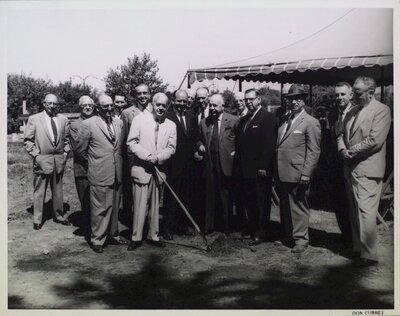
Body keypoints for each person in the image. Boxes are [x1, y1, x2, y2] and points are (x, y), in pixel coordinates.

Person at [338, 76, 391, 267]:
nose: (355, 95)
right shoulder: (352, 111)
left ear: (371, 92)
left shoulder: (382, 111)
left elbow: (375, 140)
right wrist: (342, 149)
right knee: (354, 211)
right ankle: (358, 249)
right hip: (350, 167)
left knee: (366, 212)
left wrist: (350, 152)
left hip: (368, 168)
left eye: (358, 92)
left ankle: (369, 255)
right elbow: (341, 134)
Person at [75, 94, 126, 253]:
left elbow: (119, 146)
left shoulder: (119, 123)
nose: (110, 109)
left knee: (115, 207)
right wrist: (94, 162)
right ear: (97, 107)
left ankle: (113, 235)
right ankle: (97, 240)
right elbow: (79, 149)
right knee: (99, 209)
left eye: (111, 105)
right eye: (106, 106)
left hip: (116, 171)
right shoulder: (88, 124)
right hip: (99, 172)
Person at [126, 92, 177, 250]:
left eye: (164, 105)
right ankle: (136, 237)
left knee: (155, 207)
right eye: (158, 104)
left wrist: (158, 157)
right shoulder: (139, 120)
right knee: (140, 207)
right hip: (142, 170)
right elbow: (131, 143)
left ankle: (153, 236)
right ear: (152, 104)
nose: (161, 108)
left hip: (158, 171)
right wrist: (147, 156)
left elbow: (171, 148)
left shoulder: (171, 125)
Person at [275, 84, 321, 253]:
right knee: (286, 206)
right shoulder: (285, 120)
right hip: (283, 171)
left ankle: (301, 240)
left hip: (298, 172)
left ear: (303, 101)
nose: (293, 102)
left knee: (299, 205)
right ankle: (289, 235)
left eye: (297, 99)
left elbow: (314, 151)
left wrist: (306, 173)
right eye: (290, 99)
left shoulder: (311, 122)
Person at [235, 89, 277, 245]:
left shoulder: (268, 118)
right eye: (246, 99)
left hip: (260, 169)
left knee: (261, 202)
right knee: (250, 200)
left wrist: (263, 167)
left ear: (258, 100)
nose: (248, 102)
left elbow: (268, 145)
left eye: (251, 99)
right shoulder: (245, 119)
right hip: (245, 169)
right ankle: (252, 228)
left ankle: (261, 231)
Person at [24, 93, 71, 230]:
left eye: (54, 103)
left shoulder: (63, 119)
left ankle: (59, 215)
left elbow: (67, 139)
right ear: (44, 103)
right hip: (42, 160)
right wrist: (37, 156)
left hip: (58, 160)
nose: (52, 106)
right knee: (39, 191)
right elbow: (28, 141)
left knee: (58, 191)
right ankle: (38, 219)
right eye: (49, 103)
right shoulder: (34, 119)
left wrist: (65, 153)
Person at [197, 94, 239, 234]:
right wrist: (200, 145)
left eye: (215, 105)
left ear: (222, 106)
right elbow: (198, 139)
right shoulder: (204, 122)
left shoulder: (233, 120)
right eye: (211, 105)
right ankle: (209, 226)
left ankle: (227, 226)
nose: (212, 108)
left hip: (226, 163)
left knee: (225, 195)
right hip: (209, 163)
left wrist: (235, 153)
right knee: (209, 194)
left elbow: (240, 141)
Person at [162, 90, 199, 240]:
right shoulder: (167, 117)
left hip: (188, 165)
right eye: (179, 101)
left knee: (186, 196)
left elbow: (195, 137)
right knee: (171, 198)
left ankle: (182, 226)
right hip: (172, 165)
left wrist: (199, 146)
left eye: (185, 101)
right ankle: (167, 229)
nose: (182, 104)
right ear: (174, 100)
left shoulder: (191, 117)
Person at [326, 82, 354, 243]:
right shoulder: (332, 114)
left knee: (352, 202)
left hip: (352, 163)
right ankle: (346, 236)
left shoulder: (358, 112)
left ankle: (355, 238)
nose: (339, 98)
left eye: (343, 94)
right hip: (335, 166)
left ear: (350, 95)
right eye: (337, 95)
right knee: (339, 201)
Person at [120, 84, 153, 219]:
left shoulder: (155, 110)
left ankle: (148, 221)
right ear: (135, 96)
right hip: (133, 160)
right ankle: (130, 220)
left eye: (145, 93)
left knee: (150, 193)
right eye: (139, 93)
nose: (142, 96)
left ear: (150, 95)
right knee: (131, 192)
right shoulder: (127, 113)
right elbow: (124, 140)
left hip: (151, 158)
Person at [69, 95, 95, 237]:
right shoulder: (74, 125)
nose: (87, 107)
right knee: (85, 201)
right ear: (80, 106)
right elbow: (78, 149)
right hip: (83, 169)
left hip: (99, 169)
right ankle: (87, 229)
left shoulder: (98, 121)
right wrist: (94, 164)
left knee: (97, 201)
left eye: (90, 105)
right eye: (84, 105)